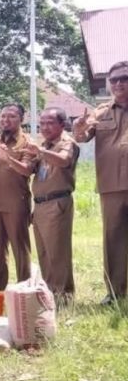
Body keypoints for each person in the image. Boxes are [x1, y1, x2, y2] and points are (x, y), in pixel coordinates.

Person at [74, 61, 128, 304]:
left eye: (124, 78)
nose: (118, 83)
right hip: (112, 185)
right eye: (114, 79)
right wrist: (78, 128)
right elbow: (82, 137)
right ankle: (115, 292)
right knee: (113, 238)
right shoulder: (101, 112)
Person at [17, 108, 78, 300]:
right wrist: (8, 159)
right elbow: (28, 171)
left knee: (57, 252)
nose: (45, 127)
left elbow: (63, 161)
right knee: (44, 252)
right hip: (41, 205)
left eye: (50, 123)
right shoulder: (45, 145)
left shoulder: (66, 143)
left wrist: (40, 151)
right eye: (42, 123)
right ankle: (51, 291)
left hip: (57, 202)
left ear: (62, 124)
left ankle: (63, 295)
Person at [0, 103, 34, 290]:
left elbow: (28, 171)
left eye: (11, 116)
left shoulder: (27, 142)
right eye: (3, 116)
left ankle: (24, 290)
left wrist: (9, 159)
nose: (6, 120)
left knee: (20, 250)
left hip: (15, 204)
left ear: (21, 119)